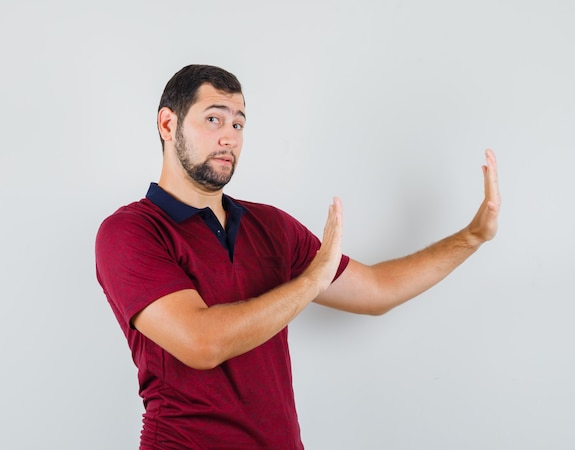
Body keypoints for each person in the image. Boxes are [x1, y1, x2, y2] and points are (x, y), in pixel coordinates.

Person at [95, 64, 501, 450]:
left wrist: (472, 236)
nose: (230, 138)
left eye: (238, 124)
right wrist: (311, 281)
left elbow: (377, 290)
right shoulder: (131, 231)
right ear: (168, 124)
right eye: (214, 119)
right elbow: (202, 343)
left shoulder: (271, 226)